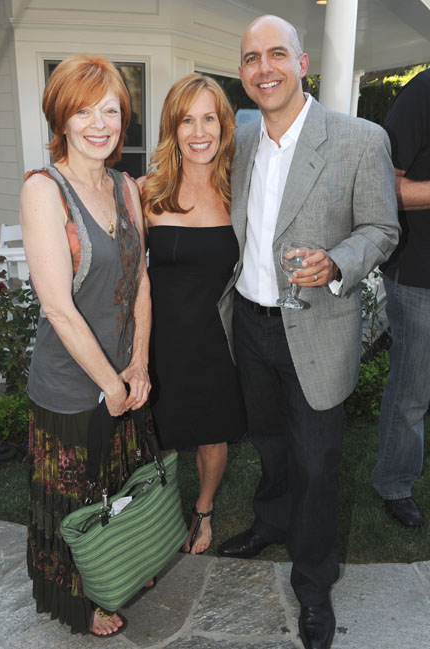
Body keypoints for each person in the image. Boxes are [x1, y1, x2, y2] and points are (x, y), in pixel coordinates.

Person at [216, 15, 400, 649]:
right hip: (249, 320)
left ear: (302, 63)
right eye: (250, 58)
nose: (263, 68)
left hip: (317, 331)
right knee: (269, 442)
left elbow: (381, 228)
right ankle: (271, 521)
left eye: (276, 55)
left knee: (318, 465)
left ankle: (314, 589)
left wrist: (339, 262)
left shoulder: (358, 138)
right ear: (241, 72)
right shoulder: (238, 137)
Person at [20, 55, 151, 636]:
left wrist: (140, 363)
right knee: (76, 501)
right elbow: (57, 308)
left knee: (119, 486)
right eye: (83, 110)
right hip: (72, 388)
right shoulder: (44, 190)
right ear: (61, 118)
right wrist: (111, 384)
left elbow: (142, 279)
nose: (100, 123)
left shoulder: (127, 187)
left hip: (124, 375)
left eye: (111, 109)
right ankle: (85, 597)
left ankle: (120, 567)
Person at [139, 73, 246, 554]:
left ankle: (203, 513)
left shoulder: (239, 193)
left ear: (223, 126)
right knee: (158, 439)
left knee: (211, 435)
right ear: (172, 127)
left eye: (209, 119)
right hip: (160, 339)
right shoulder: (146, 192)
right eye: (187, 120)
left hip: (217, 339)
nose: (199, 132)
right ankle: (156, 520)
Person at [372, 68, 430, 528]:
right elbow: (384, 189)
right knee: (413, 389)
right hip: (419, 274)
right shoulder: (422, 92)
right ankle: (395, 482)